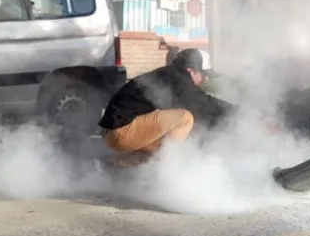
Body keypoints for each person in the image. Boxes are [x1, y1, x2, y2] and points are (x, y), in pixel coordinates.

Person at [98, 48, 235, 165]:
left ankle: (111, 165)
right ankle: (168, 170)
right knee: (185, 119)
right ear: (191, 70)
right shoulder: (178, 80)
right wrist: (236, 113)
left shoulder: (169, 75)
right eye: (203, 75)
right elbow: (204, 104)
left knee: (172, 136)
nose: (204, 80)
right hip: (121, 130)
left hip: (115, 131)